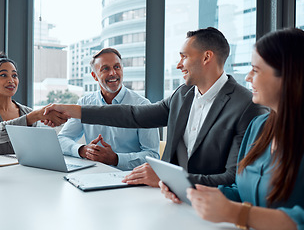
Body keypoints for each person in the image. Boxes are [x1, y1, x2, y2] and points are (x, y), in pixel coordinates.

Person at [44, 27, 267, 187]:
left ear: (207, 57)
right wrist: (73, 110)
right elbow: (134, 115)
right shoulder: (183, 94)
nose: (179, 64)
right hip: (165, 199)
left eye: (184, 57)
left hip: (209, 209)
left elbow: (233, 178)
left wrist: (167, 179)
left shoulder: (247, 106)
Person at [160, 28, 304, 230]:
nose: (247, 77)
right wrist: (188, 191)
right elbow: (239, 189)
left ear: (288, 75)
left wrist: (238, 213)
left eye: (256, 69)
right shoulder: (259, 127)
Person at [57, 48, 160, 170]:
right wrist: (82, 150)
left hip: (130, 179)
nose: (113, 73)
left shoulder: (143, 106)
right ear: (94, 76)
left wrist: (116, 159)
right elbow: (61, 139)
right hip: (94, 176)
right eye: (105, 68)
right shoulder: (85, 103)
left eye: (117, 67)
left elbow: (153, 156)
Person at [0, 53, 65, 155]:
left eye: (14, 75)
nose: (11, 80)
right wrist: (34, 116)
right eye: (3, 75)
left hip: (21, 169)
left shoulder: (27, 112)